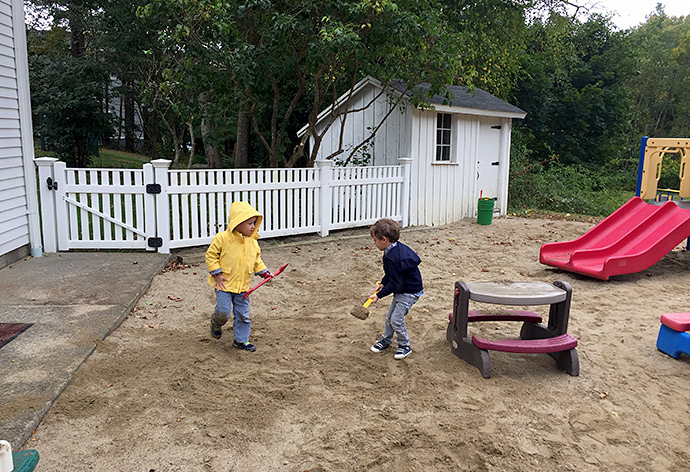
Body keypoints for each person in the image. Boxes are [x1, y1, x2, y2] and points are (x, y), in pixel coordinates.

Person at [205, 201, 271, 352]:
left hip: (243, 286)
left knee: (243, 314)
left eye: (254, 223)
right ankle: (216, 322)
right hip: (224, 284)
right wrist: (217, 274)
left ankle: (241, 340)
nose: (253, 227)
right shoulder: (222, 238)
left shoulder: (253, 243)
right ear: (237, 223)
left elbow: (256, 260)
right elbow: (211, 256)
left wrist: (264, 272)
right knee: (223, 311)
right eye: (249, 223)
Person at [367, 218, 423, 360]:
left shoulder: (393, 257)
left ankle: (405, 346)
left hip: (409, 292)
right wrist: (383, 283)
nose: (374, 243)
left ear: (384, 239)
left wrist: (379, 295)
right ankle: (386, 340)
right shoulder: (392, 249)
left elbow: (396, 282)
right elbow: (392, 274)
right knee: (389, 317)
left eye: (375, 240)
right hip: (402, 288)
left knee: (396, 319)